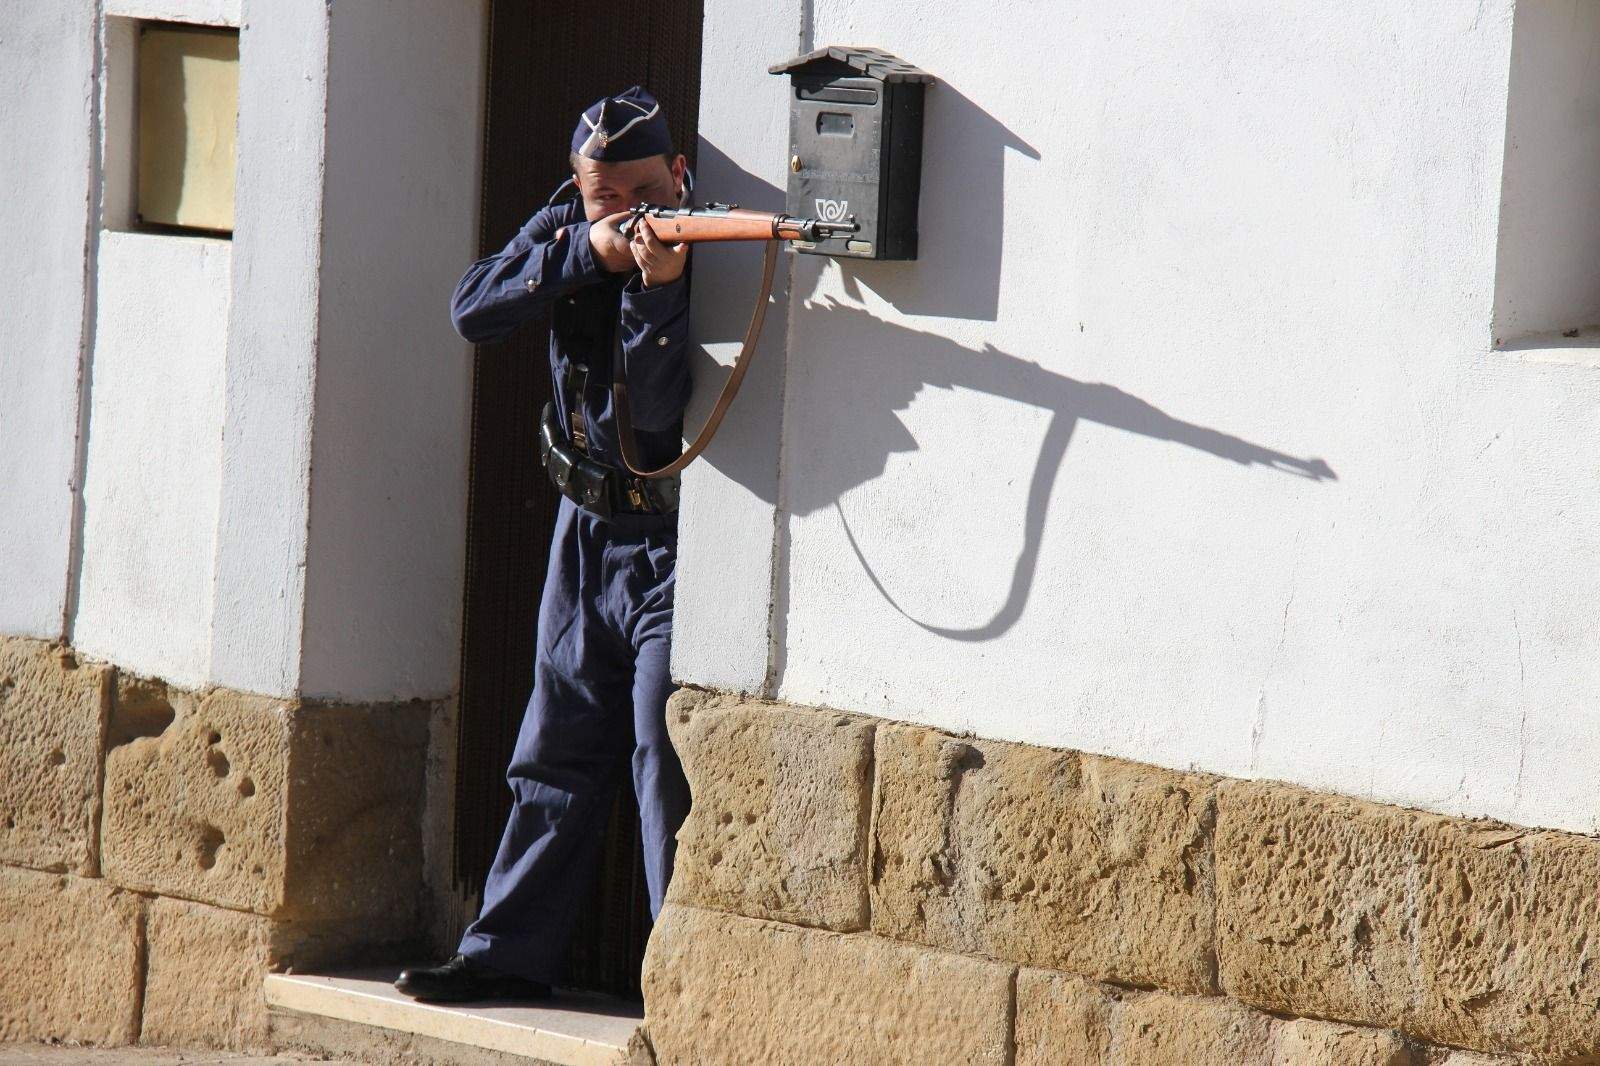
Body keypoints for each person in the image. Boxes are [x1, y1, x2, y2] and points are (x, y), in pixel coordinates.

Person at [396, 86, 694, 1003]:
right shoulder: (569, 224)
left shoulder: (697, 242)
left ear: (679, 175)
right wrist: (582, 250)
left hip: (671, 540)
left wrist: (657, 289)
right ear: (580, 188)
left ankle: (681, 986)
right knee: (552, 746)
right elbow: (472, 305)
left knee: (660, 754)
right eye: (609, 199)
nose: (632, 214)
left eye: (648, 193)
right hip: (583, 531)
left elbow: (655, 415)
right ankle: (506, 955)